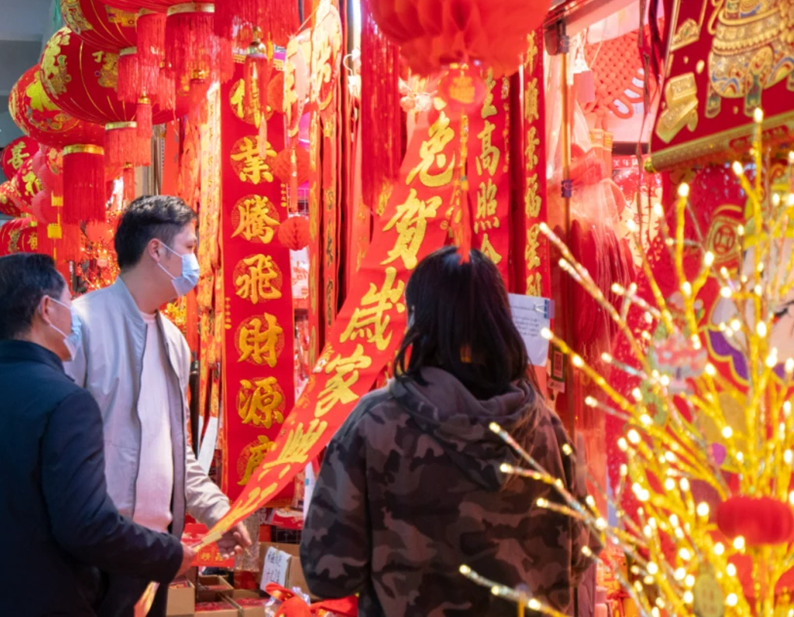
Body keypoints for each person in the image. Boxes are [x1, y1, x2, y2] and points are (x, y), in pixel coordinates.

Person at [301, 247, 600, 616]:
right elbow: (579, 559)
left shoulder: (375, 422)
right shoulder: (548, 428)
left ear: (418, 320)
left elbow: (328, 573)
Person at [0, 253, 195, 617]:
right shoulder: (66, 403)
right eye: (69, 304)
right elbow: (87, 526)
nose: (75, 318)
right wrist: (167, 553)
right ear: (47, 310)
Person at [66, 195, 250, 617]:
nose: (196, 262)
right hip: (95, 552)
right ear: (156, 250)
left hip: (155, 552)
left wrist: (218, 511)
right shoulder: (82, 324)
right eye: (190, 247)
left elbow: (177, 451)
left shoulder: (174, 342)